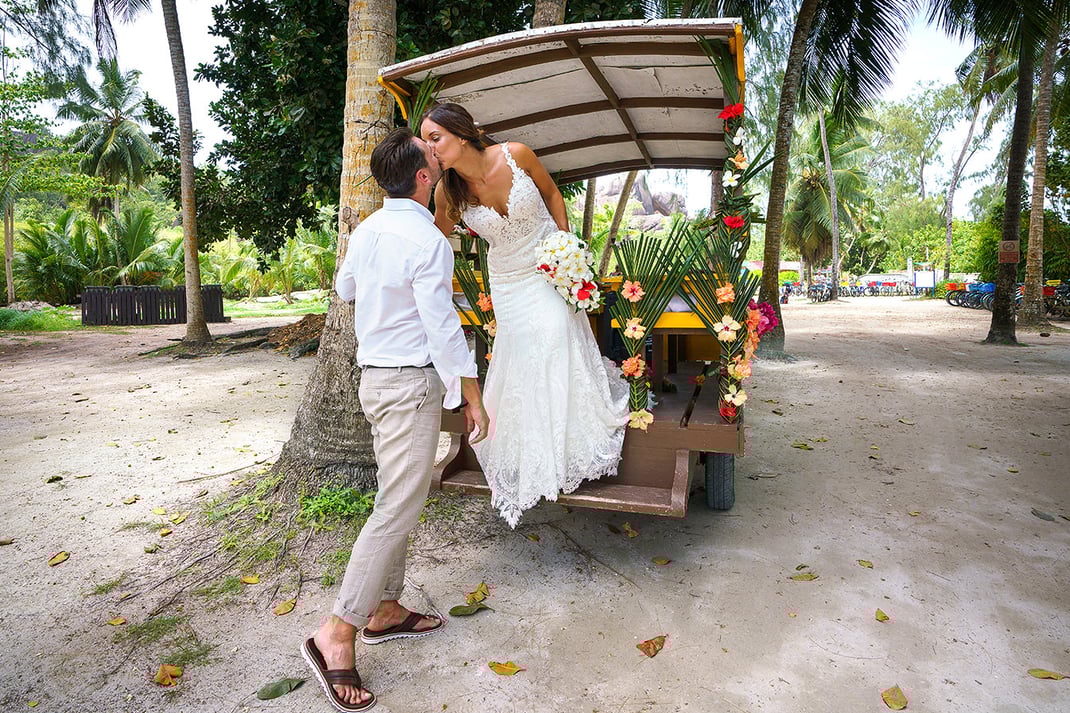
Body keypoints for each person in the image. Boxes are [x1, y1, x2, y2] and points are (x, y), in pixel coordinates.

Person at [302, 127, 489, 713]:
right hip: (408, 384)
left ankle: (385, 609)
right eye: (433, 157)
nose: (439, 160)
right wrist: (472, 393)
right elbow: (441, 328)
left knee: (396, 493)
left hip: (373, 380)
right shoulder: (429, 241)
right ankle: (338, 630)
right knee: (397, 506)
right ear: (425, 178)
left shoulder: (366, 231)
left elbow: (345, 287)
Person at [420, 103, 628, 528]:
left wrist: (565, 248)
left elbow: (552, 195)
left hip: (547, 262)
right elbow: (434, 236)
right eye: (426, 141)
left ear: (461, 134)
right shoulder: (447, 192)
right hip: (509, 277)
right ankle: (530, 446)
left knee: (554, 333)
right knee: (521, 351)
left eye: (435, 137)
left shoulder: (516, 154)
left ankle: (567, 443)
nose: (430, 148)